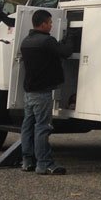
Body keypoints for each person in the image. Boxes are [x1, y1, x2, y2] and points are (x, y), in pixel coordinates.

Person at [19, 9, 74, 175]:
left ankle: (27, 161)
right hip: (42, 93)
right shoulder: (46, 41)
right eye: (49, 23)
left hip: (29, 92)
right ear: (42, 24)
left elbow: (54, 50)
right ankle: (44, 163)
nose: (51, 25)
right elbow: (65, 52)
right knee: (42, 127)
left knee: (28, 126)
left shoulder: (26, 41)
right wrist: (72, 37)